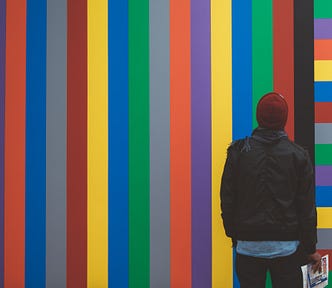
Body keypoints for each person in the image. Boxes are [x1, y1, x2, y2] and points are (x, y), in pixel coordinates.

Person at [220, 92, 321, 288]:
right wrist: (310, 248)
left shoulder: (238, 153)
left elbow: (227, 198)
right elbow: (306, 206)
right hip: (288, 251)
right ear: (284, 119)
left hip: (247, 246)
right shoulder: (298, 155)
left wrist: (234, 234)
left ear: (259, 117)